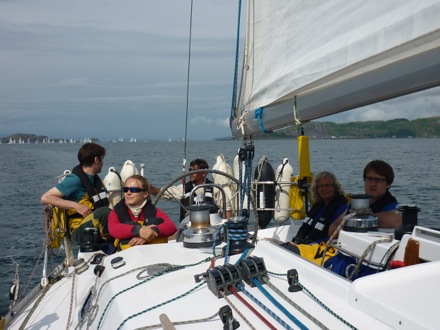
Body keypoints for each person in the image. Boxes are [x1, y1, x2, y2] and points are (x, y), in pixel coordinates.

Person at [41, 142, 111, 244]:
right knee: (104, 212)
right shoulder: (75, 180)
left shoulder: (93, 179)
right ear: (96, 160)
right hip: (79, 230)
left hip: (95, 225)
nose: (103, 162)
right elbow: (45, 198)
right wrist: (76, 206)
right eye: (102, 158)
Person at [108, 175, 177, 250]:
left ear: (145, 194)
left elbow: (171, 226)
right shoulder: (116, 211)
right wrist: (139, 231)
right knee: (130, 225)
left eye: (133, 190)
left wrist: (150, 233)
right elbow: (113, 229)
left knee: (156, 222)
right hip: (126, 255)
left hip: (150, 253)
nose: (128, 193)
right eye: (125, 189)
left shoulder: (154, 211)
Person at [150, 158, 232, 221]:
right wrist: (148, 187)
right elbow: (165, 193)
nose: (191, 173)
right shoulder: (184, 187)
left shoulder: (215, 188)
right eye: (190, 170)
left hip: (211, 223)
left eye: (194, 171)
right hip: (190, 224)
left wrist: (228, 229)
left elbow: (227, 208)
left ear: (203, 173)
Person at [289, 171, 348, 246]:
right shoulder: (318, 207)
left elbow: (332, 237)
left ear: (335, 188)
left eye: (328, 185)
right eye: (321, 186)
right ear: (316, 189)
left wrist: (307, 245)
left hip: (321, 248)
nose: (324, 189)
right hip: (306, 244)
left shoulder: (342, 210)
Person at [362, 159, 401, 228]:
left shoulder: (392, 207)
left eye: (378, 180)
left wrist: (358, 219)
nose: (373, 184)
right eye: (369, 178)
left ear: (388, 184)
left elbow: (395, 221)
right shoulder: (358, 203)